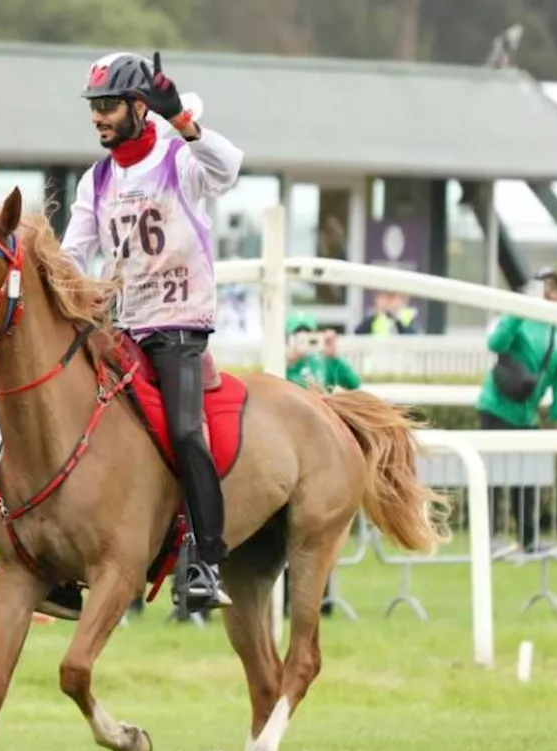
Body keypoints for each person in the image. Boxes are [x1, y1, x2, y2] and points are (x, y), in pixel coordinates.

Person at [53, 50, 244, 620]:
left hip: (180, 324)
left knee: (186, 430)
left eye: (109, 106)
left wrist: (183, 121)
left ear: (141, 106)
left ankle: (206, 560)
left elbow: (229, 169)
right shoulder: (98, 176)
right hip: (124, 326)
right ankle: (60, 567)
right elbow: (72, 255)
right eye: (94, 108)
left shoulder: (178, 158)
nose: (98, 118)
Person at [476, 273, 557, 552]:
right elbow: (496, 344)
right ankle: (489, 537)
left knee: (527, 479)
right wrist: (518, 311)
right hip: (497, 407)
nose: (548, 292)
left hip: (526, 413)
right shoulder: (519, 316)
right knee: (492, 475)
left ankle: (529, 539)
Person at [285, 312, 361, 393]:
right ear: (287, 338)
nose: (303, 338)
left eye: (307, 332)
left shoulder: (324, 360)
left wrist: (334, 358)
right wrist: (290, 365)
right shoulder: (281, 361)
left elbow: (354, 384)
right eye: (297, 334)